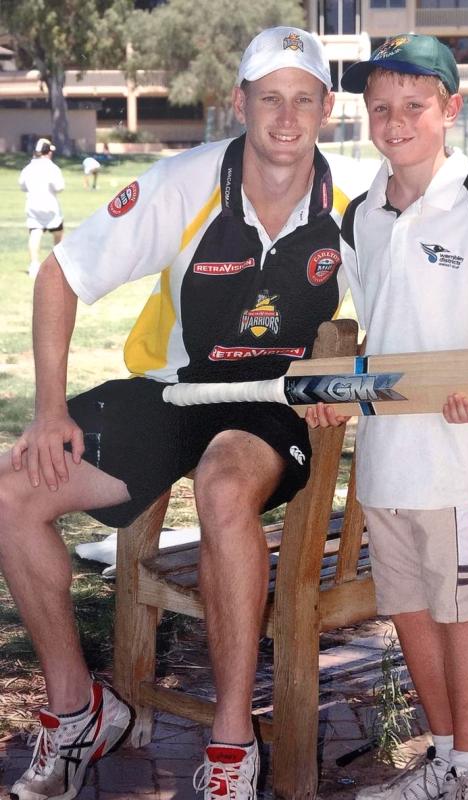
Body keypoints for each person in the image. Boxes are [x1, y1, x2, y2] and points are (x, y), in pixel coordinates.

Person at [0, 26, 365, 800]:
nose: (287, 117)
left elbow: (400, 320)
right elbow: (60, 274)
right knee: (11, 490)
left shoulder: (357, 204)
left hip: (270, 409)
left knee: (225, 484)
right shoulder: (184, 181)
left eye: (304, 99)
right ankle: (77, 712)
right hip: (173, 396)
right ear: (241, 103)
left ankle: (233, 742)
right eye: (270, 98)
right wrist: (49, 410)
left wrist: (342, 377)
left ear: (327, 109)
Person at [308, 33, 468, 800]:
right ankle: (443, 760)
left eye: (415, 105)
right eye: (381, 108)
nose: (396, 120)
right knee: (409, 612)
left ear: (450, 108)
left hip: (462, 457)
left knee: (464, 612)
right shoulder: (360, 215)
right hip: (387, 458)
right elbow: (366, 323)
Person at [18, 138, 64, 278]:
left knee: (35, 233)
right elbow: (59, 187)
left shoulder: (28, 168)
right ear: (48, 152)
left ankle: (34, 265)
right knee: (58, 233)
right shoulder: (52, 168)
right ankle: (59, 263)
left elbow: (22, 186)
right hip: (50, 205)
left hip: (32, 205)